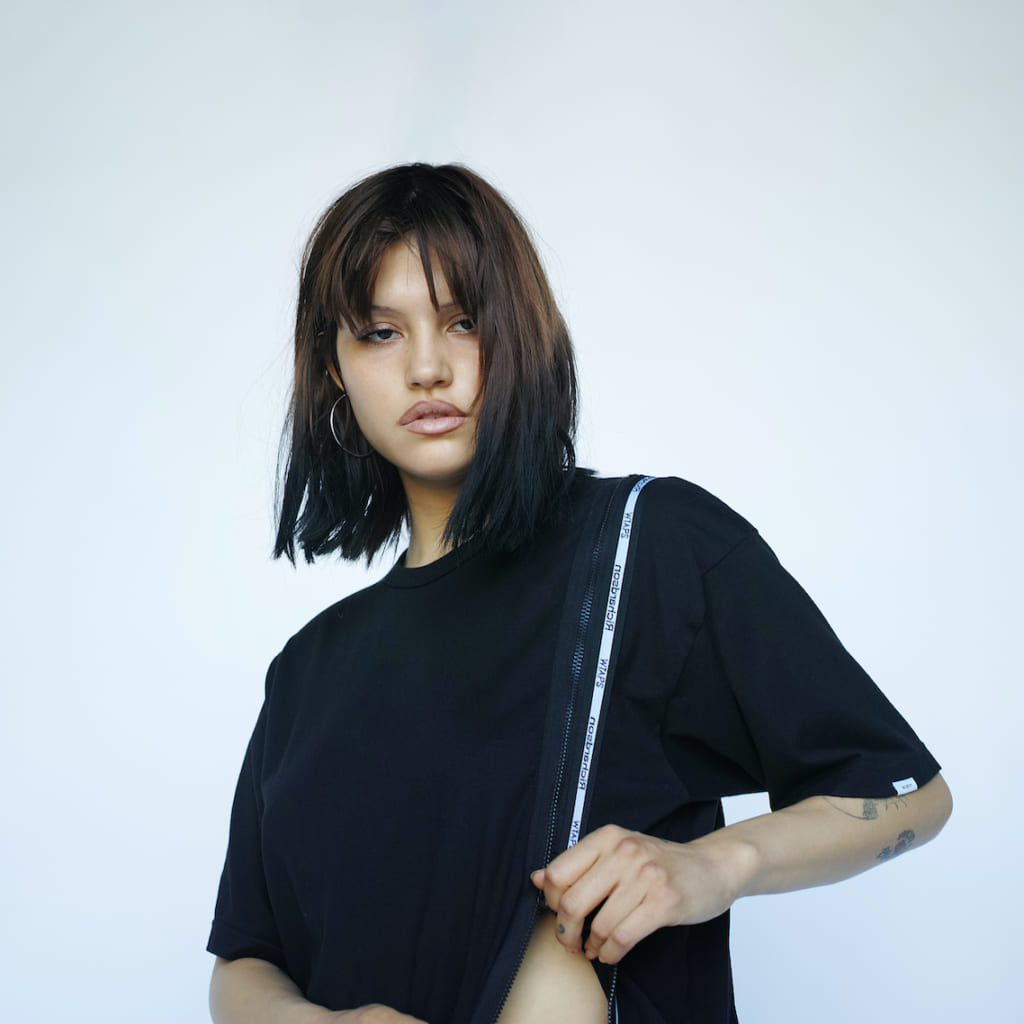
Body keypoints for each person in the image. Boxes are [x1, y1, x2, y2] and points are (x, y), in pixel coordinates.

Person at [206, 163, 951, 1024]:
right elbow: (244, 963)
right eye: (379, 332)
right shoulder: (306, 671)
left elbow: (911, 794)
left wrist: (712, 865)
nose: (428, 368)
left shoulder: (649, 548)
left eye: (465, 321)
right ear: (334, 370)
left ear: (522, 335)